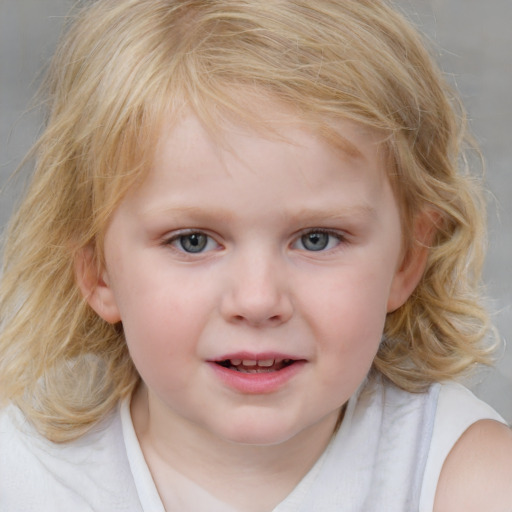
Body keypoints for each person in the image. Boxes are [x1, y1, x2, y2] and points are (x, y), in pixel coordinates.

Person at [0, 0, 511, 510]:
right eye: (193, 241)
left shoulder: (469, 480)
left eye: (317, 239)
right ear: (98, 272)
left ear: (408, 258)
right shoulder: (24, 476)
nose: (258, 299)